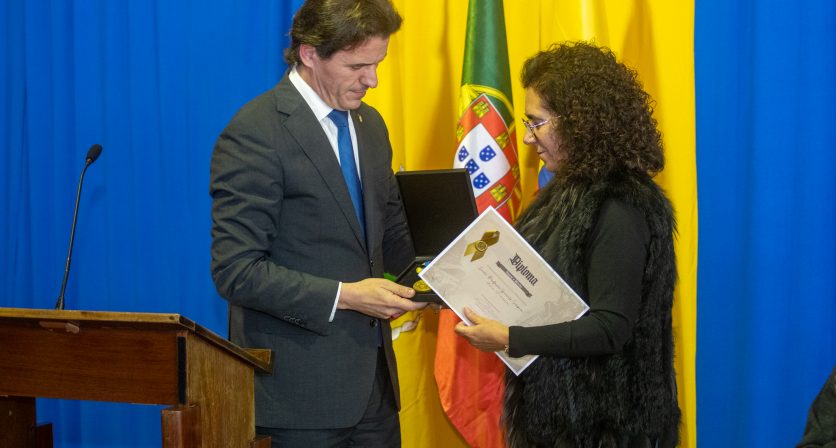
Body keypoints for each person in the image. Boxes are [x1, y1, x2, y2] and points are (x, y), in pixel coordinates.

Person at [209, 0, 426, 446]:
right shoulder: (256, 131)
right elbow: (236, 270)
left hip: (375, 394)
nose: (373, 80)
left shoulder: (371, 125)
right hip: (298, 400)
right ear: (310, 54)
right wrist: (346, 296)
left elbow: (392, 235)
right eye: (357, 66)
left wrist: (454, 283)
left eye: (378, 63)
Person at [454, 42, 681, 447]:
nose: (526, 138)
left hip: (605, 430)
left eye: (536, 123)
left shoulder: (620, 206)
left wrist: (510, 338)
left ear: (580, 123)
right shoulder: (564, 194)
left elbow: (610, 328)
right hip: (554, 424)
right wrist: (442, 286)